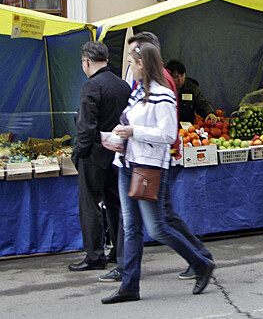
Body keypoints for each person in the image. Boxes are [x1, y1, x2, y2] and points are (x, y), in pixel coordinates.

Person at [101, 42, 215, 304]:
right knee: (131, 228)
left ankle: (200, 263)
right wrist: (119, 133)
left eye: (132, 60)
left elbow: (167, 134)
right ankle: (129, 287)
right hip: (127, 163)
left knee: (157, 227)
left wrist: (133, 132)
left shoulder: (163, 95)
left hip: (149, 167)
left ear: (142, 63)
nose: (129, 64)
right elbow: (129, 120)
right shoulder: (138, 92)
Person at [69, 41, 131, 271]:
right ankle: (118, 250)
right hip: (117, 152)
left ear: (86, 61)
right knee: (115, 203)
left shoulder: (91, 86)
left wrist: (78, 153)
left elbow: (86, 126)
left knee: (90, 204)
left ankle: (95, 256)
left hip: (94, 153)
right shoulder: (122, 85)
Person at [165, 59, 219, 125]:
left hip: (187, 129)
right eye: (176, 77)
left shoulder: (191, 87)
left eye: (182, 75)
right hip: (168, 126)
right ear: (168, 76)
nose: (180, 80)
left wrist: (210, 113)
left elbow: (201, 103)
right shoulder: (164, 89)